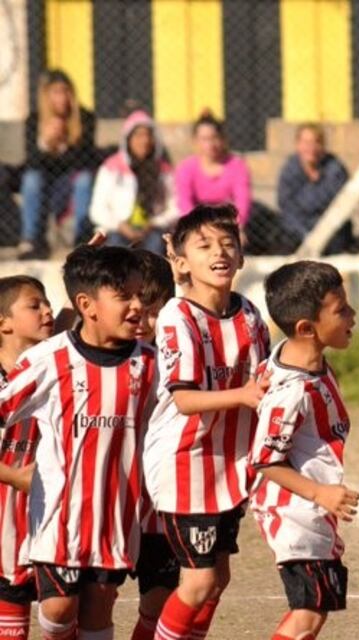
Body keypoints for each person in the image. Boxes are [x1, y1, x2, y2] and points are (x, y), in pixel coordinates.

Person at [0, 245, 157, 640]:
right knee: (58, 607)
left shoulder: (152, 363)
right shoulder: (48, 360)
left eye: (140, 295)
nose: (137, 305)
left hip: (116, 518)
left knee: (99, 608)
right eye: (124, 296)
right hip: (58, 519)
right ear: (86, 305)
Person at [142, 204, 270, 640]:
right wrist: (244, 395)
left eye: (228, 243)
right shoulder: (178, 316)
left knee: (218, 579)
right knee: (198, 582)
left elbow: (262, 380)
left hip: (229, 467)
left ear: (241, 256)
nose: (219, 252)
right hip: (185, 465)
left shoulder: (249, 314)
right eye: (204, 245)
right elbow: (185, 399)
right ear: (180, 263)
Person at [250, 261, 359, 639]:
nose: (353, 315)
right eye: (341, 310)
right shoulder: (291, 392)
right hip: (294, 512)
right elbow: (265, 460)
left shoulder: (308, 361)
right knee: (308, 614)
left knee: (315, 609)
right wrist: (320, 493)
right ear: (306, 328)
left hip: (309, 510)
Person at [127, 250, 180, 640]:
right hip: (109, 499)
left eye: (154, 311)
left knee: (160, 598)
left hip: (159, 498)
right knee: (92, 598)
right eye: (134, 309)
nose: (143, 322)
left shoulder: (175, 357)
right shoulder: (87, 353)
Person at [0, 276, 54, 638]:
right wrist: (14, 476)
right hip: (5, 526)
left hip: (50, 518)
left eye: (47, 303)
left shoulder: (52, 364)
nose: (47, 311)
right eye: (35, 306)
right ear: (4, 323)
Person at [19, 69, 98, 259]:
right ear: (46, 96)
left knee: (84, 179)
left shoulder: (85, 118)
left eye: (66, 91)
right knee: (31, 179)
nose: (62, 98)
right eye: (56, 92)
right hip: (45, 181)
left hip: (72, 180)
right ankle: (31, 240)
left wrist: (65, 144)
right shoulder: (33, 120)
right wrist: (46, 143)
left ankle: (82, 240)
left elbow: (86, 160)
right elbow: (31, 162)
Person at [90, 110, 179, 255]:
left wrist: (154, 223)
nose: (145, 141)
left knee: (154, 249)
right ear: (128, 139)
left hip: (153, 230)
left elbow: (175, 207)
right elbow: (97, 209)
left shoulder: (164, 170)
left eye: (148, 135)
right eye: (138, 135)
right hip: (117, 230)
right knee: (116, 250)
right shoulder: (111, 167)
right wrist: (120, 226)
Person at [276, 123, 350, 254]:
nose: (311, 148)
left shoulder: (335, 169)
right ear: (297, 145)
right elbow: (286, 208)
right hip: (297, 230)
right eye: (306, 142)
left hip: (329, 229)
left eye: (316, 142)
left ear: (323, 146)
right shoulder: (289, 169)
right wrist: (305, 234)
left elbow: (339, 205)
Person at [175, 113, 251, 238]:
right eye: (204, 139)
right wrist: (198, 227)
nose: (210, 144)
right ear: (195, 141)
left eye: (214, 137)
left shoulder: (237, 165)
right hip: (197, 223)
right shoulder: (186, 168)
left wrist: (236, 227)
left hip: (229, 222)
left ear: (222, 139)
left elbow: (242, 201)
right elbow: (184, 202)